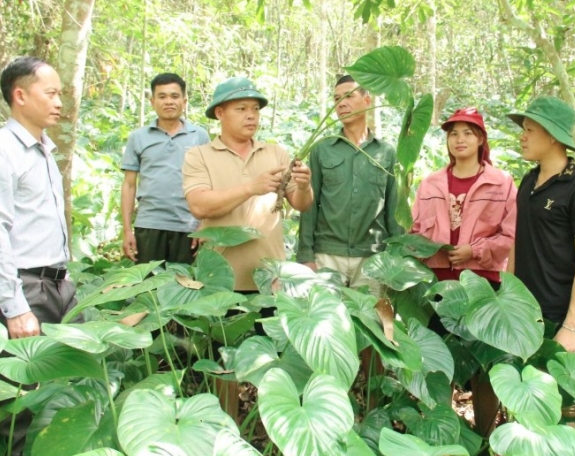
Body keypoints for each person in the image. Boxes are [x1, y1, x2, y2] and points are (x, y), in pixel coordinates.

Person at [411, 107, 517, 435]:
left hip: (483, 287)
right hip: (440, 289)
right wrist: (429, 249)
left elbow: (510, 235)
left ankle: (484, 439)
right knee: (439, 365)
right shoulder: (430, 183)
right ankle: (444, 438)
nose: (459, 139)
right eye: (453, 133)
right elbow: (415, 231)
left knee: (484, 366)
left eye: (468, 133)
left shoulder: (501, 183)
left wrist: (475, 251)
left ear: (481, 139)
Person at [0, 56, 81, 338]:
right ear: (20, 95)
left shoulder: (44, 151)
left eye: (60, 94)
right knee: (26, 369)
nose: (59, 103)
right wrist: (15, 308)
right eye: (50, 94)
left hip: (58, 286)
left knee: (75, 366)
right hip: (24, 289)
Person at [182, 77, 312, 294]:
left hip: (270, 279)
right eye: (241, 109)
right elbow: (199, 206)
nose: (251, 115)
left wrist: (304, 186)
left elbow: (302, 204)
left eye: (255, 109)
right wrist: (251, 188)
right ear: (219, 113)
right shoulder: (199, 156)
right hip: (218, 283)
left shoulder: (276, 153)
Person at [506, 96, 575, 354]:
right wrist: (508, 294)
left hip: (562, 316)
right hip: (525, 311)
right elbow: (518, 240)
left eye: (529, 130)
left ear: (552, 136)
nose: (522, 137)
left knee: (558, 381)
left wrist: (571, 326)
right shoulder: (528, 181)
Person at [296, 75, 402, 295]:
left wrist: (396, 257)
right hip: (327, 255)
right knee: (327, 315)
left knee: (370, 315)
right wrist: (306, 255)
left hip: (372, 257)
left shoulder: (386, 152)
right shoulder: (322, 149)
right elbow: (309, 206)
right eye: (336, 99)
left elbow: (394, 211)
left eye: (348, 96)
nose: (341, 103)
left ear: (367, 100)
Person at [121, 73, 210, 265]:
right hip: (149, 224)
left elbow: (209, 182)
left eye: (174, 96)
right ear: (152, 102)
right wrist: (127, 230)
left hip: (188, 226)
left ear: (184, 101)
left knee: (184, 282)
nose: (169, 101)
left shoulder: (200, 136)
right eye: (162, 96)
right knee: (148, 282)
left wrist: (204, 224)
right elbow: (129, 185)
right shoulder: (138, 137)